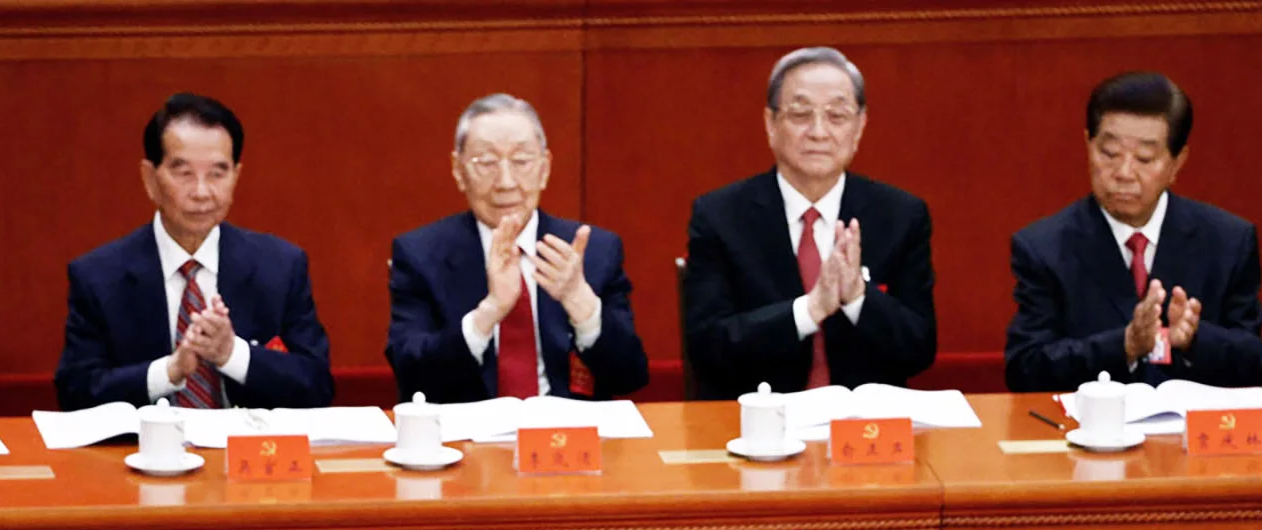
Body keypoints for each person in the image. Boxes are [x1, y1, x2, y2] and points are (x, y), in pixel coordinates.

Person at [682, 47, 937, 399]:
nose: (819, 132)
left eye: (837, 116)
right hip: (757, 426)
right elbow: (708, 348)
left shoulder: (900, 215)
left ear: (860, 127)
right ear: (770, 124)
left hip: (864, 435)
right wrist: (810, 309)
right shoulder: (721, 216)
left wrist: (858, 299)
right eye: (801, 114)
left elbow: (919, 349)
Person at [55, 93, 333, 412]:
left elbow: (317, 386)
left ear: (236, 177)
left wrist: (232, 354)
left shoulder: (281, 266)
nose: (202, 192)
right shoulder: (99, 276)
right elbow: (75, 394)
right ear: (150, 179)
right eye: (184, 173)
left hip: (246, 456)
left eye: (217, 173)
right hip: (145, 456)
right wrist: (168, 372)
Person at [1005, 71, 1262, 393]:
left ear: (1177, 163)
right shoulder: (1044, 247)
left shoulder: (1228, 241)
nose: (1124, 173)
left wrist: (1194, 339)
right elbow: (1025, 369)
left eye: (1145, 158)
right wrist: (1126, 344)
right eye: (1109, 153)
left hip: (1192, 436)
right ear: (1087, 145)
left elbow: (1258, 367)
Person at [386, 94, 648, 404]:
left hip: (568, 440)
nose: (506, 182)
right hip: (469, 442)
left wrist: (581, 303)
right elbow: (411, 374)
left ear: (545, 168)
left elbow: (631, 377)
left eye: (522, 161)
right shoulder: (420, 255)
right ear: (458, 170)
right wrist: (490, 311)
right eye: (486, 162)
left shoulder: (593, 251)